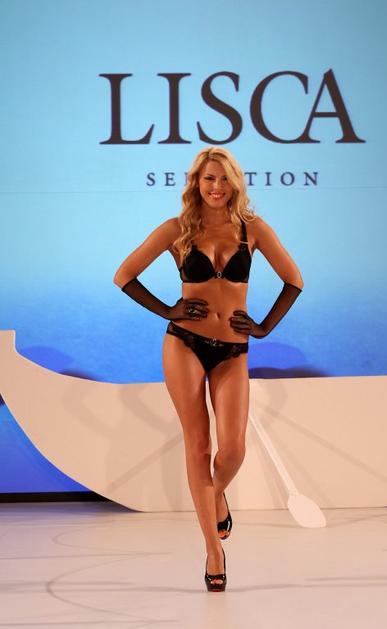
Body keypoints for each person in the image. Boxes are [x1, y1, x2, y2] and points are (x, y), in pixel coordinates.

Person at [113, 147, 304, 592]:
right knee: (198, 446)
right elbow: (124, 275)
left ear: (234, 183)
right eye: (208, 179)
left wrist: (264, 327)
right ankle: (213, 550)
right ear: (196, 183)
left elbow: (294, 280)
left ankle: (214, 496)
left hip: (233, 350)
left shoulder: (253, 229)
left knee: (232, 450)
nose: (216, 187)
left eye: (223, 179)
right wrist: (168, 309)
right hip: (184, 344)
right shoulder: (176, 229)